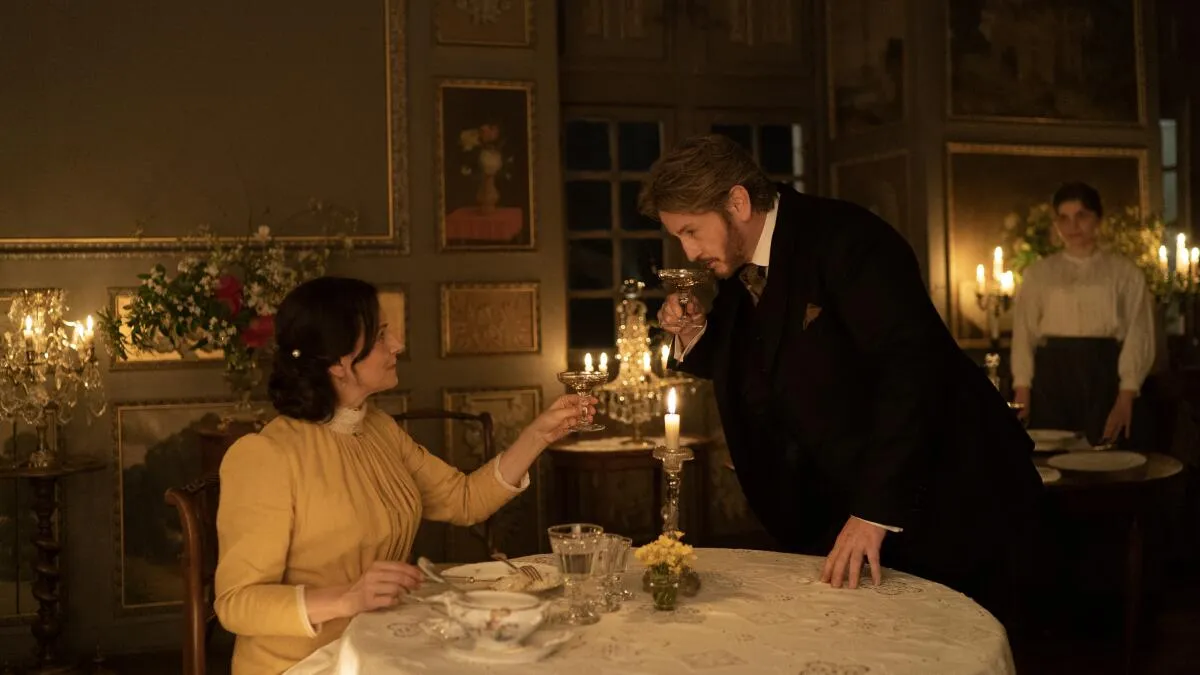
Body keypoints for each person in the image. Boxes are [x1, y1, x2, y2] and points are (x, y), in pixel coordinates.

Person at [643, 134, 1041, 623]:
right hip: (837, 512)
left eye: (691, 231)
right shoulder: (743, 273)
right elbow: (759, 361)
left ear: (738, 202)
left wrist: (873, 512)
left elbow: (912, 372)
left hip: (952, 501)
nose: (688, 251)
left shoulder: (849, 240)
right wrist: (694, 331)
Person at [214, 276, 595, 674]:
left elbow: (464, 500)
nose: (397, 344)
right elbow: (236, 603)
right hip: (306, 664)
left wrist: (539, 434)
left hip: (385, 644)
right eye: (381, 336)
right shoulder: (265, 456)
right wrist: (347, 598)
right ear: (339, 363)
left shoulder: (377, 427)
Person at [1011, 182, 1156, 447]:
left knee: (1104, 456)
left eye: (1081, 216)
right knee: (1054, 457)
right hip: (1053, 375)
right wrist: (1023, 388)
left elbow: (1138, 332)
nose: (1072, 226)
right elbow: (1024, 334)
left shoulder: (1125, 273)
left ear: (1097, 219)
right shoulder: (1039, 274)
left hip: (1103, 373)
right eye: (1064, 218)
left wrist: (1126, 395)